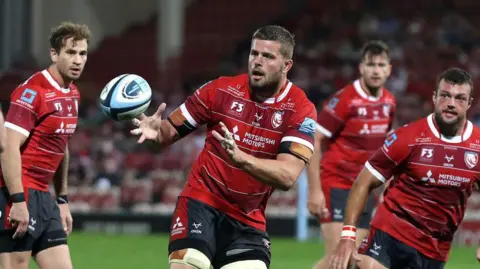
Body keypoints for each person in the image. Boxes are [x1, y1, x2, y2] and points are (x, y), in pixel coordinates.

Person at [131, 25, 317, 269]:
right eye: (254, 54)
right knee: (188, 264)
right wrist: (155, 134)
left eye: (268, 56)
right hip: (201, 202)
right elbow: (167, 135)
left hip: (247, 219)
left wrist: (241, 159)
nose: (257, 62)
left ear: (286, 66)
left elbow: (288, 176)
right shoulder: (219, 90)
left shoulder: (301, 110)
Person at [329, 68, 480, 269]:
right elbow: (364, 181)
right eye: (445, 95)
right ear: (435, 97)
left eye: (460, 98)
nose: (451, 103)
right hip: (390, 234)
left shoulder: (477, 146)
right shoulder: (408, 137)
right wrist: (348, 236)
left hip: (435, 249)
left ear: (469, 103)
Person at [0, 22, 90, 269]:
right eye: (70, 52)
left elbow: (62, 146)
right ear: (54, 54)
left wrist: (62, 200)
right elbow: (8, 147)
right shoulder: (32, 91)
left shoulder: (73, 94)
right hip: (18, 193)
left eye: (82, 53)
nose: (77, 60)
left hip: (44, 197)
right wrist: (17, 201)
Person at [307, 40, 396, 269]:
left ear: (389, 69)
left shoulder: (388, 102)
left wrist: (387, 187)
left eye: (380, 65)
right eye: (371, 64)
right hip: (336, 184)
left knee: (354, 260)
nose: (375, 70)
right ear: (361, 68)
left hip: (363, 190)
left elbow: (387, 147)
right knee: (340, 259)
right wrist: (315, 190)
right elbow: (315, 139)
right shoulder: (345, 99)